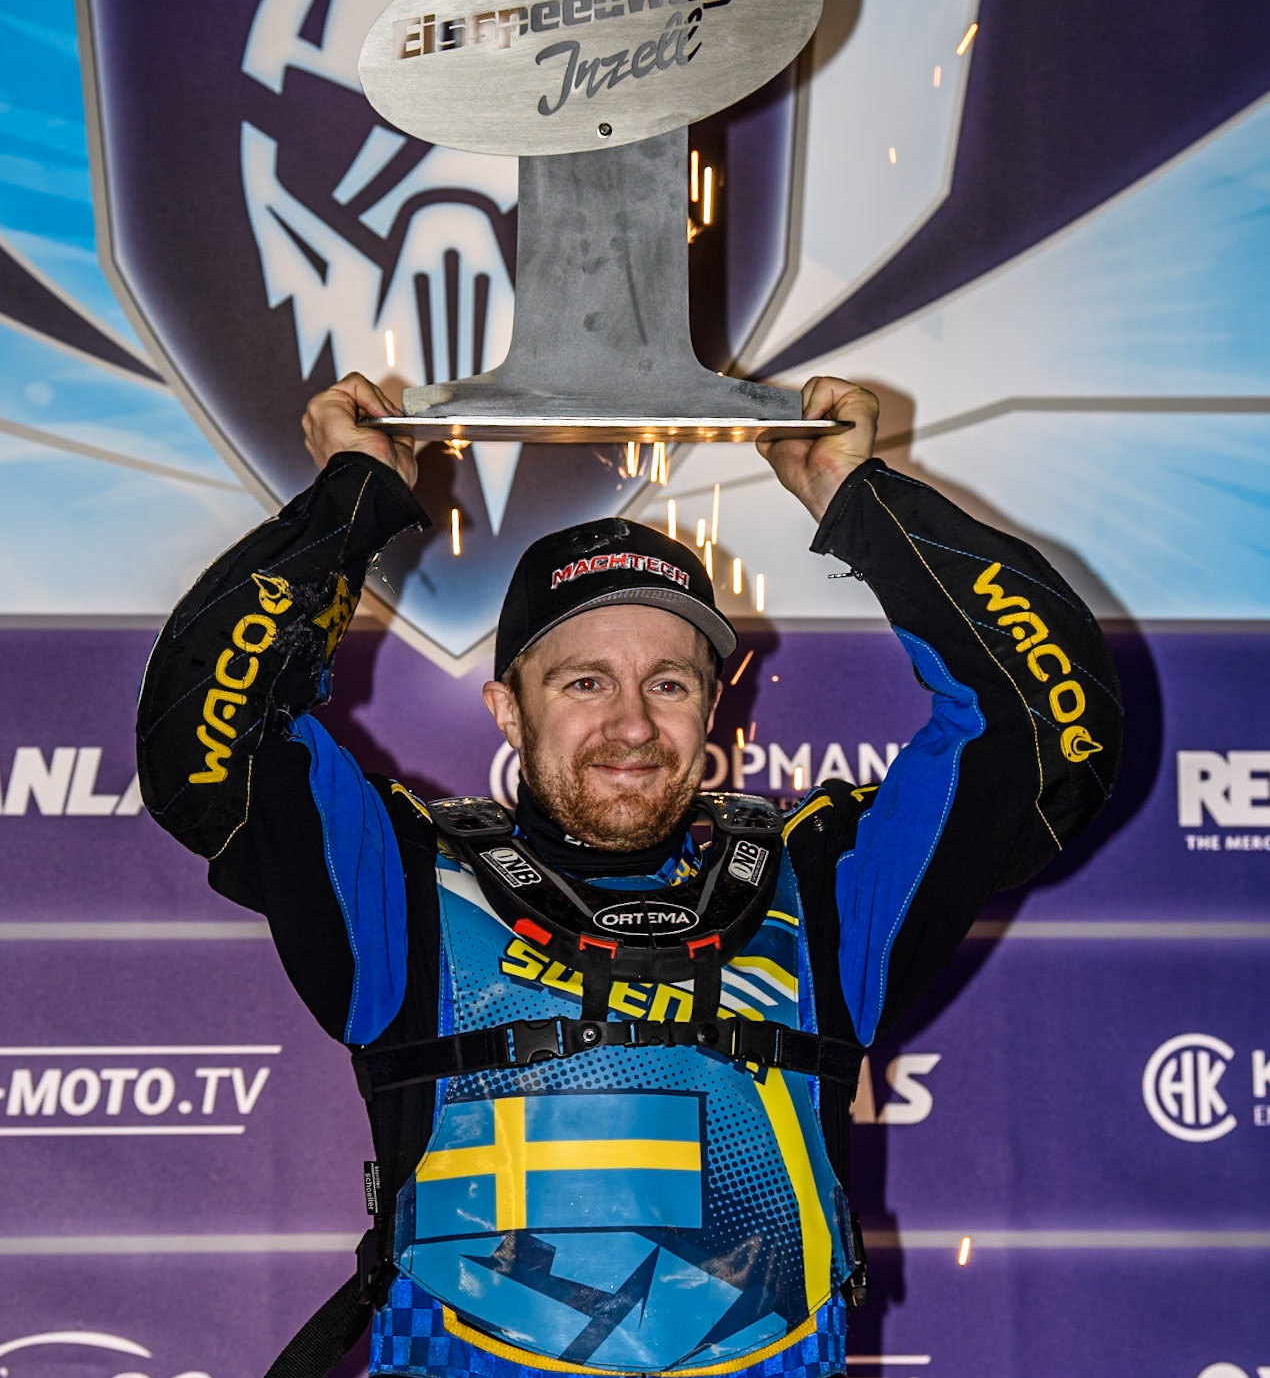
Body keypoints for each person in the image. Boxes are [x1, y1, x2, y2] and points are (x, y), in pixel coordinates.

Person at [137, 372, 1121, 1378]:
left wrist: (858, 496)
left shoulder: (829, 891)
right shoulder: (396, 884)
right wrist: (350, 500)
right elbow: (211, 757)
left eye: (668, 683)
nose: (631, 726)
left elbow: (1040, 735)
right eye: (583, 682)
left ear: (713, 707)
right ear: (507, 710)